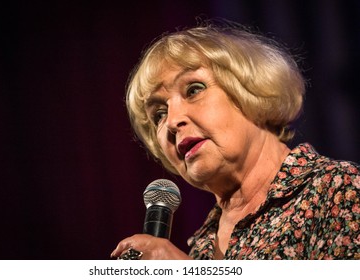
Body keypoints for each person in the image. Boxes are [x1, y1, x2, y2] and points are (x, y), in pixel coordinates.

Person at [111, 20, 360, 260]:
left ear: (250, 91)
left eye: (194, 89)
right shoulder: (201, 247)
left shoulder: (339, 190)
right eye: (159, 115)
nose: (173, 122)